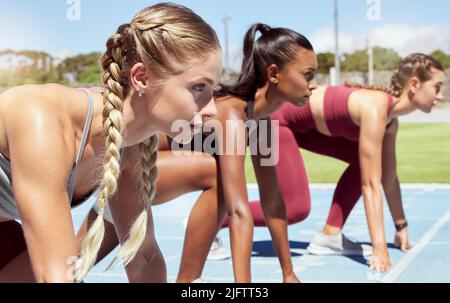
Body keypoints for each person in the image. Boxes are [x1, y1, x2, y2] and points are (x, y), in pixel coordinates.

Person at [79, 23, 318, 283]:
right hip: (136, 164)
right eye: (308, 74)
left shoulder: (263, 123)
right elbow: (239, 210)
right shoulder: (233, 115)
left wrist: (288, 273)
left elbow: (273, 202)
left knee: (71, 266)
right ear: (274, 73)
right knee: (217, 176)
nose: (314, 84)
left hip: (139, 175)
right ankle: (189, 281)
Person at [0, 3, 221, 283]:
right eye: (198, 87)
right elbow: (53, 277)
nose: (212, 109)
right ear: (141, 78)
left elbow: (144, 258)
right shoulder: (41, 119)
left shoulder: (130, 149)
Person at [222, 53, 446, 272]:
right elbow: (370, 185)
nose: (441, 95)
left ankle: (331, 234)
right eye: (437, 86)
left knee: (369, 163)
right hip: (275, 119)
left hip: (302, 127)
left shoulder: (390, 122)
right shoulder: (375, 107)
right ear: (414, 84)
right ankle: (217, 219)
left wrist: (401, 225)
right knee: (295, 208)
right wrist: (379, 249)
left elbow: (388, 177)